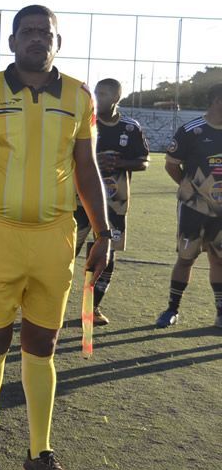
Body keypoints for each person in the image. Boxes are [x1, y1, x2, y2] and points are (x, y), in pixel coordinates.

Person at [0, 5, 109, 470]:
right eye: (28, 31)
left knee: (43, 346)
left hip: (55, 238)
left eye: (46, 33)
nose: (37, 38)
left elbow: (86, 167)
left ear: (58, 42)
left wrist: (104, 233)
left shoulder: (79, 95)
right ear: (12, 41)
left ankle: (39, 454)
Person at [73, 78, 148, 325]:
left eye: (103, 94)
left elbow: (143, 161)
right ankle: (49, 304)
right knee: (64, 254)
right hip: (80, 202)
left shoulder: (130, 128)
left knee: (106, 257)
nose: (97, 98)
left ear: (116, 98)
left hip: (115, 204)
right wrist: (94, 161)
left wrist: (120, 163)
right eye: (96, 92)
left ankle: (91, 308)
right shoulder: (84, 121)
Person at [156, 83, 222, 329]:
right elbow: (171, 165)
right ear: (217, 101)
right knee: (185, 258)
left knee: (219, 259)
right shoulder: (191, 131)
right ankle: (172, 310)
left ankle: (221, 313)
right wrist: (190, 189)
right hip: (193, 209)